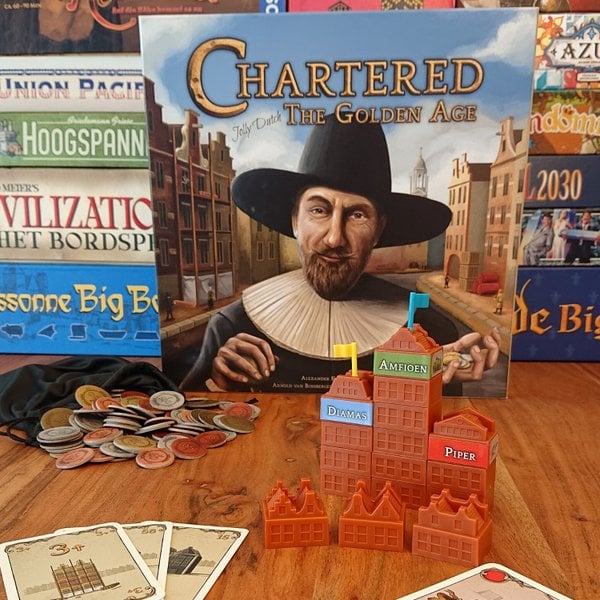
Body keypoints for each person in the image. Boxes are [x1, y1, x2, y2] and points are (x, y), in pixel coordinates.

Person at [181, 114, 501, 393]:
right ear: (294, 220)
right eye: (319, 210)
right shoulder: (232, 327)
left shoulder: (433, 331)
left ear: (379, 230)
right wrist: (218, 386)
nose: (335, 238)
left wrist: (436, 377)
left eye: (357, 215)